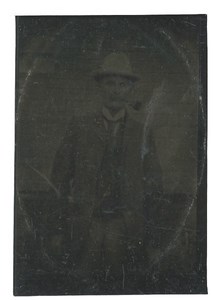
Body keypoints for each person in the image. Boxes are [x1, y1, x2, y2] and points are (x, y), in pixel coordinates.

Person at [49, 53, 163, 292]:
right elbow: (58, 181)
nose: (116, 90)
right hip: (84, 225)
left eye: (122, 84)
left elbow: (154, 185)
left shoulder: (141, 131)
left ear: (130, 89)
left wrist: (153, 240)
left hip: (127, 226)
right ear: (100, 87)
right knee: (80, 286)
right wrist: (56, 231)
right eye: (110, 83)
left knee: (123, 287)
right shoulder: (79, 126)